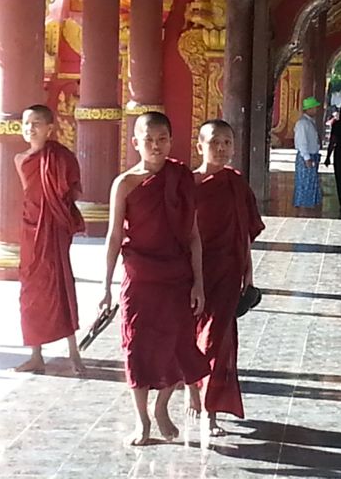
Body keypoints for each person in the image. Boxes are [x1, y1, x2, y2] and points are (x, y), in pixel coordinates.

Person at [99, 112, 210, 446]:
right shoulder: (126, 183)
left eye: (162, 139)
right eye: (148, 140)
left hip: (176, 275)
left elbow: (193, 235)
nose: (156, 146)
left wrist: (199, 283)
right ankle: (142, 419)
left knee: (177, 346)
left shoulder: (181, 178)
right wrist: (105, 286)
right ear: (135, 143)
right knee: (137, 348)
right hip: (140, 277)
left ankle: (162, 406)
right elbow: (114, 237)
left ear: (171, 141)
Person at [188, 119, 265, 435]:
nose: (221, 149)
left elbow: (245, 229)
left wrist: (248, 268)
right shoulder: (189, 184)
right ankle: (194, 389)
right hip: (195, 272)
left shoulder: (235, 182)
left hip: (228, 270)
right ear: (200, 146)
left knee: (219, 340)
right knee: (193, 335)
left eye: (227, 143)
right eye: (214, 142)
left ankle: (212, 409)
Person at [13, 104, 86, 375]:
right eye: (26, 123)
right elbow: (31, 196)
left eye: (36, 123)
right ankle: (35, 353)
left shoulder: (59, 157)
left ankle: (73, 352)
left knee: (60, 286)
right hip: (31, 230)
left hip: (53, 230)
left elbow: (69, 191)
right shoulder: (21, 159)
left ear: (49, 128)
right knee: (30, 291)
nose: (30, 128)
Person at [293, 96, 323, 209]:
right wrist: (306, 157)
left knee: (311, 182)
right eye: (314, 107)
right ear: (309, 109)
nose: (316, 110)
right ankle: (303, 205)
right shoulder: (302, 124)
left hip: (312, 155)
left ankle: (309, 204)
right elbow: (302, 142)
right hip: (306, 156)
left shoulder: (309, 122)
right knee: (305, 183)